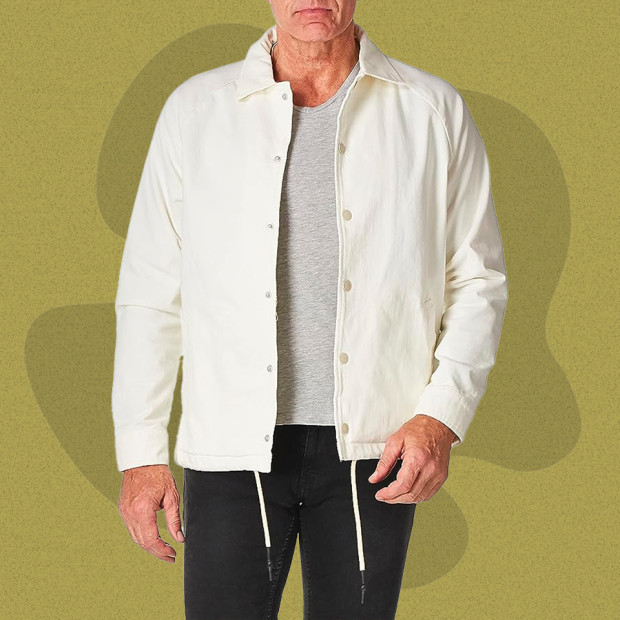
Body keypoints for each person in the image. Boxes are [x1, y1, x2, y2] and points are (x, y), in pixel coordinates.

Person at [112, 2, 508, 619]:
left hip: (377, 448)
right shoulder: (197, 111)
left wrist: (441, 417)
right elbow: (151, 290)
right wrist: (141, 450)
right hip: (232, 444)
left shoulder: (430, 109)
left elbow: (477, 279)